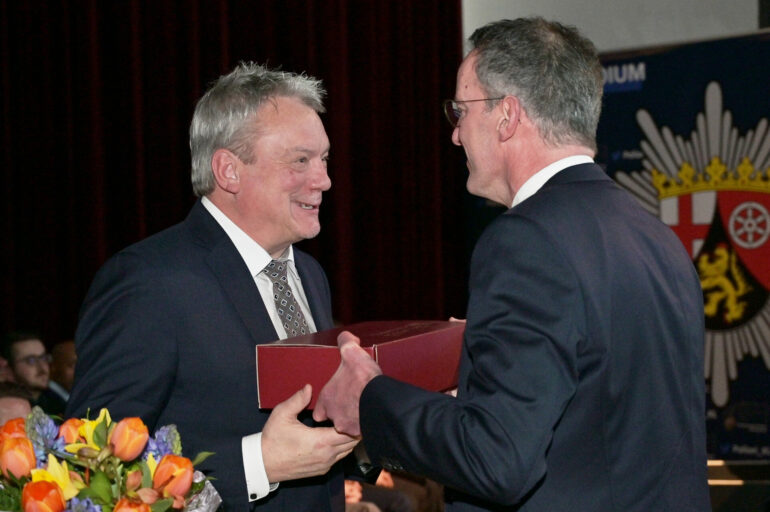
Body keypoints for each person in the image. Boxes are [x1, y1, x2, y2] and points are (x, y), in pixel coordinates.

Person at [314, 17, 710, 512]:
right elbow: (603, 414)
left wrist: (370, 398)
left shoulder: (527, 241)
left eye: (460, 111)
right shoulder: (656, 236)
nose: (455, 135)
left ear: (507, 116)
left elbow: (497, 459)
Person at [66, 62, 359, 511]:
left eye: (324, 159)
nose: (324, 180)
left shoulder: (308, 273)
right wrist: (256, 464)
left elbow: (312, 438)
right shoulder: (149, 281)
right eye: (300, 160)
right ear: (229, 170)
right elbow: (92, 465)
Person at [1, 330, 66, 416]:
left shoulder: (56, 401)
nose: (42, 367)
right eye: (31, 360)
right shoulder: (6, 406)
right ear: (8, 367)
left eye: (44, 358)